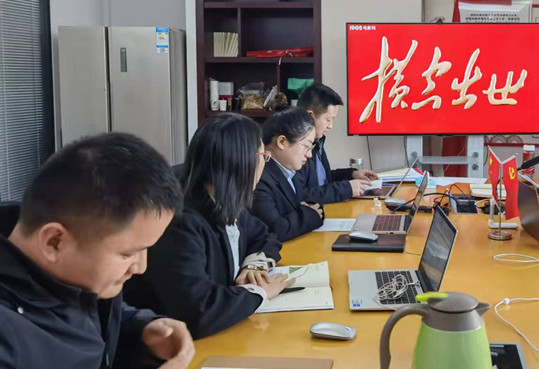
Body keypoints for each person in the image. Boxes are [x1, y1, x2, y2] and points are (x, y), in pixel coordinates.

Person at [0, 132, 227, 369]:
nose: (140, 267)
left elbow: (81, 319)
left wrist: (144, 329)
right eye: (128, 253)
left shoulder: (72, 277)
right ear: (54, 242)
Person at [124, 113, 289, 341]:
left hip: (221, 334)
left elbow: (264, 235)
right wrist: (258, 292)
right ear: (243, 161)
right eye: (264, 156)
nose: (264, 164)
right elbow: (198, 311)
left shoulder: (223, 200)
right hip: (173, 346)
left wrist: (253, 267)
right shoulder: (180, 222)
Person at [293, 83, 377, 203]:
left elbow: (322, 179)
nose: (330, 126)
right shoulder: (297, 148)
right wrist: (346, 188)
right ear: (310, 116)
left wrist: (351, 174)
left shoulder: (318, 141)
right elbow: (301, 195)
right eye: (328, 119)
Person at [252, 108, 325, 241]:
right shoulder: (259, 177)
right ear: (282, 142)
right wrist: (311, 215)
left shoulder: (290, 171)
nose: (309, 155)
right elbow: (276, 229)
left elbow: (309, 203)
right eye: (306, 146)